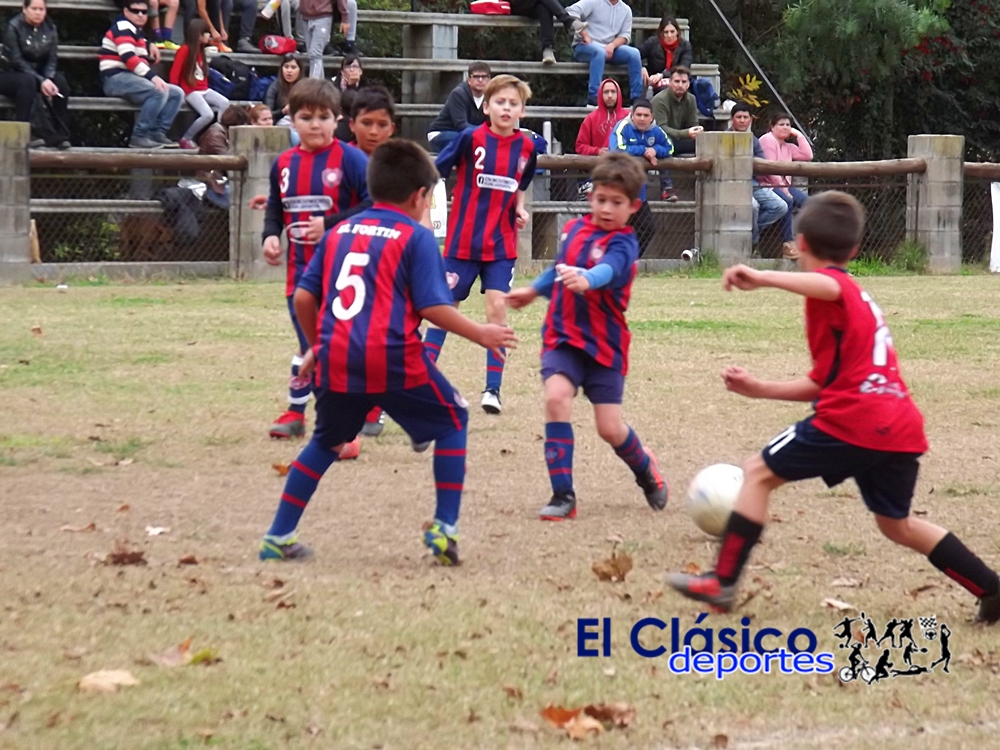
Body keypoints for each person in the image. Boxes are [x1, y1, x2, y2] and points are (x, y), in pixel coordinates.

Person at [665, 191, 1000, 627]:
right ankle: (991, 587)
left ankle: (722, 581)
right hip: (897, 425)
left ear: (798, 243)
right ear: (856, 249)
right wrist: (759, 388)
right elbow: (821, 383)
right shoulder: (854, 298)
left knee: (757, 472)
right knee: (896, 526)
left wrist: (764, 277)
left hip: (853, 420)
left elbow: (827, 282)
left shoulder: (835, 288)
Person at [257, 139, 517, 564]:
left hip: (338, 356)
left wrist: (317, 344)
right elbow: (434, 307)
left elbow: (305, 298)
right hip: (392, 355)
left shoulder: (339, 231)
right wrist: (482, 333)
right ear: (420, 197)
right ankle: (444, 530)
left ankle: (277, 535)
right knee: (454, 420)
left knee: (326, 442)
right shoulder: (414, 237)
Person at [505, 152, 669, 520]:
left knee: (609, 428)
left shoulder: (625, 243)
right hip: (562, 336)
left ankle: (645, 469)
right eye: (600, 199)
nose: (607, 209)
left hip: (604, 345)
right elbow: (559, 269)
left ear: (633, 207)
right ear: (590, 196)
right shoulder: (576, 230)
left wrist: (587, 279)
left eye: (617, 202)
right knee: (556, 400)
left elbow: (609, 270)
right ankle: (563, 495)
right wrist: (533, 291)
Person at [261, 78, 370, 444]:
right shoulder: (284, 164)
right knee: (310, 346)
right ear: (291, 119)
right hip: (301, 275)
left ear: (337, 119)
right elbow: (275, 207)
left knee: (335, 350)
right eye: (306, 117)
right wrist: (269, 237)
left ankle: (344, 426)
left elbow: (374, 205)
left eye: (324, 117)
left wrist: (331, 224)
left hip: (344, 275)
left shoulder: (351, 159)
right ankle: (297, 414)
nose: (315, 124)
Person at [424, 75, 537, 416]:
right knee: (443, 311)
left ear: (522, 110)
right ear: (486, 107)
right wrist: (426, 219)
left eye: (513, 103)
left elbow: (522, 181)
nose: (506, 108)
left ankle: (493, 390)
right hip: (462, 243)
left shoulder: (528, 147)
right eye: (499, 102)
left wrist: (519, 207)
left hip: (501, 246)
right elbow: (433, 174)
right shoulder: (468, 138)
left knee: (497, 311)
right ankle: (423, 381)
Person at [100, 1, 184, 149]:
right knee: (158, 91)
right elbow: (129, 58)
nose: (140, 15)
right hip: (116, 78)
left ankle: (157, 132)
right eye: (135, 11)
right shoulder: (123, 27)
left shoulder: (135, 30)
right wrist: (152, 76)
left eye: (144, 12)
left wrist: (149, 44)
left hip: (130, 78)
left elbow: (137, 45)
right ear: (126, 12)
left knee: (176, 93)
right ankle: (139, 136)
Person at [1, 0, 70, 148]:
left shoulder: (51, 28)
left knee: (61, 83)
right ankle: (25, 132)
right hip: (10, 73)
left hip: (39, 72)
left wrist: (49, 78)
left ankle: (61, 134)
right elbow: (16, 61)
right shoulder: (13, 27)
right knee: (27, 82)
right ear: (25, 9)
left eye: (41, 9)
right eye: (34, 8)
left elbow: (52, 59)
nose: (38, 12)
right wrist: (41, 80)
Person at [609, 98, 671, 257]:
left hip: (639, 194)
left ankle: (630, 260)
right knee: (613, 230)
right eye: (638, 115)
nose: (642, 119)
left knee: (648, 228)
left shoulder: (656, 130)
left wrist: (656, 150)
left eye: (645, 115)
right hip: (618, 190)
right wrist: (644, 150)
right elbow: (617, 149)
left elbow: (670, 147)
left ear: (652, 116)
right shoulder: (623, 127)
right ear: (632, 114)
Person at [729, 103, 787, 250]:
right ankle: (753, 243)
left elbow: (762, 164)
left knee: (780, 206)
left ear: (751, 120)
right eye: (738, 117)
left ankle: (749, 234)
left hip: (752, 182)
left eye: (745, 117)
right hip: (730, 185)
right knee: (753, 207)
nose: (742, 120)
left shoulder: (753, 140)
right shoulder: (724, 137)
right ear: (732, 119)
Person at [758, 112, 813, 260]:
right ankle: (788, 244)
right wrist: (784, 189)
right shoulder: (768, 139)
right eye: (781, 125)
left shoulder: (788, 146)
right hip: (767, 184)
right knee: (787, 201)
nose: (785, 128)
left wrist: (799, 135)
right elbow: (770, 169)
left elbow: (808, 156)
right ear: (772, 127)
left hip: (784, 186)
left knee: (810, 204)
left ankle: (809, 243)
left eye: (788, 125)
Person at [566, 0, 643, 107]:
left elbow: (625, 36)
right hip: (585, 45)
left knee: (634, 54)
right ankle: (593, 99)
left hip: (609, 48)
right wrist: (584, 34)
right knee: (599, 53)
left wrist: (612, 45)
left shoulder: (626, 10)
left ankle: (636, 99)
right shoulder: (592, 2)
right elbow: (570, 12)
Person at [169, 19, 230, 149]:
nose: (209, 35)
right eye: (206, 33)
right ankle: (186, 138)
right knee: (207, 114)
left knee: (225, 103)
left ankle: (218, 132)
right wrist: (179, 94)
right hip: (190, 90)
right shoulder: (184, 50)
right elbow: (174, 74)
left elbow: (202, 72)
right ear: (199, 34)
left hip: (204, 89)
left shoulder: (201, 50)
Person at [650, 66, 702, 200]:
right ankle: (667, 188)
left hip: (680, 139)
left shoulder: (691, 99)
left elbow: (692, 123)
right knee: (663, 146)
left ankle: (708, 185)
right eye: (677, 81)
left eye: (684, 82)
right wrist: (687, 133)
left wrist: (698, 131)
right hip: (659, 140)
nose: (680, 85)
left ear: (688, 84)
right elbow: (661, 129)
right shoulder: (659, 100)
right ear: (670, 82)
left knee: (707, 142)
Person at [425, 61, 490, 154]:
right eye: (476, 77)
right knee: (470, 141)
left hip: (468, 134)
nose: (480, 80)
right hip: (441, 134)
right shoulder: (459, 94)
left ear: (489, 80)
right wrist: (488, 132)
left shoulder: (490, 97)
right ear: (468, 80)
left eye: (484, 77)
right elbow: (461, 125)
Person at [508, 0, 587, 64]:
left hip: (532, 4)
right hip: (512, 5)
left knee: (544, 8)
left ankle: (547, 49)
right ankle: (569, 22)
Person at [639, 16, 692, 94]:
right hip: (655, 81)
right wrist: (642, 67)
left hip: (678, 80)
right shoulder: (652, 42)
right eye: (666, 32)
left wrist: (661, 75)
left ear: (677, 32)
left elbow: (684, 67)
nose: (669, 35)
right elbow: (636, 55)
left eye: (672, 31)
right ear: (661, 33)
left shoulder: (685, 45)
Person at [575, 78, 627, 157]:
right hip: (599, 165)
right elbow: (580, 146)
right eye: (606, 92)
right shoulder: (591, 118)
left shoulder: (629, 117)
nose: (610, 96)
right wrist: (597, 151)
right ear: (600, 94)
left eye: (613, 92)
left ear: (618, 94)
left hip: (625, 165)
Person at [265, 53, 303, 125]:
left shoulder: (305, 87)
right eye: (286, 67)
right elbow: (267, 115)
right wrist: (282, 111)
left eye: (293, 67)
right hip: (280, 124)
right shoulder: (274, 86)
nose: (289, 70)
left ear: (300, 70)